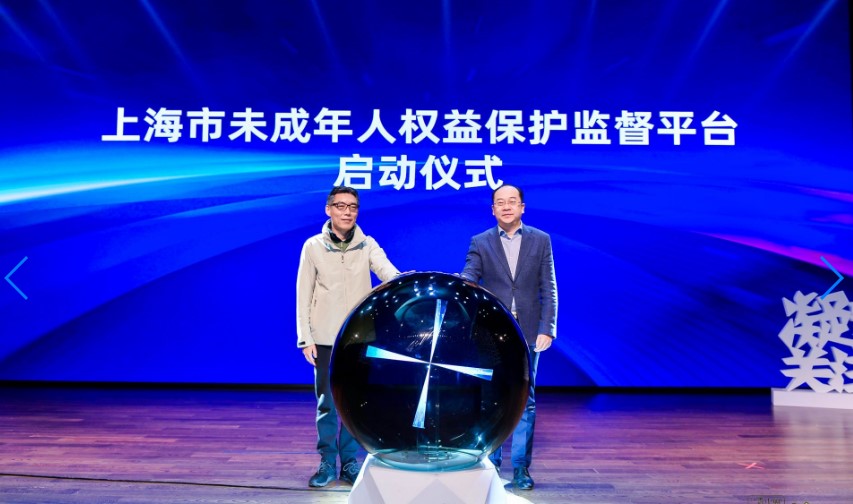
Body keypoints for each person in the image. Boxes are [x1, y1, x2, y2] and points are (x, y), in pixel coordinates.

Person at [296, 186, 401, 487]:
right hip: (325, 338)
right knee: (327, 404)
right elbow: (303, 294)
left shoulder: (367, 245)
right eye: (340, 206)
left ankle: (350, 462)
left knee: (355, 402)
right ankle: (327, 461)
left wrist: (405, 280)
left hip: (359, 338)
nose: (347, 212)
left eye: (352, 206)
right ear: (328, 209)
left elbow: (388, 273)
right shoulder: (313, 246)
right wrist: (306, 337)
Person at [461, 183, 557, 491]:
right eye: (500, 202)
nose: (506, 206)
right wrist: (460, 284)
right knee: (492, 397)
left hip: (528, 332)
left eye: (512, 201)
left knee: (525, 400)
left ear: (522, 207)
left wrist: (547, 328)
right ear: (493, 210)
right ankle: (491, 462)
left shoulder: (541, 240)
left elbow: (549, 287)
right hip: (492, 332)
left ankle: (520, 468)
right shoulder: (480, 241)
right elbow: (469, 277)